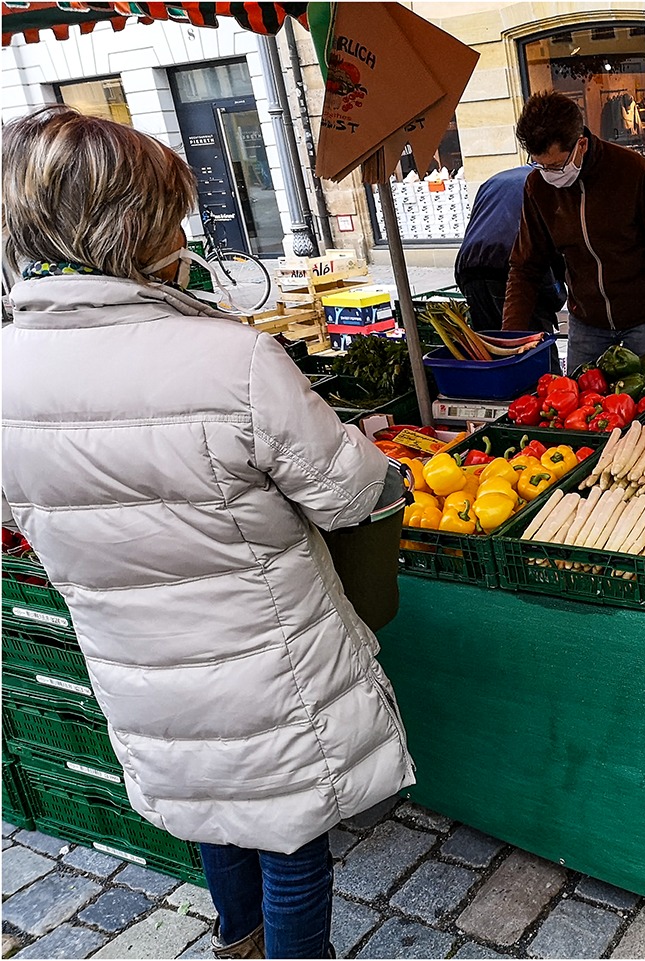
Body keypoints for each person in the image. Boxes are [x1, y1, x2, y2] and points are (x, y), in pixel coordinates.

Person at [0, 107, 414, 960]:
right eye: (172, 215)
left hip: (140, 671)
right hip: (267, 669)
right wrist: (375, 455)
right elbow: (345, 495)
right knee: (292, 840)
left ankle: (239, 946)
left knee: (213, 817)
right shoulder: (229, 358)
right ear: (137, 225)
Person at [502, 91, 645, 375]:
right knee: (576, 410)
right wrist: (510, 339)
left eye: (555, 166)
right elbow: (525, 266)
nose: (548, 174)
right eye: (539, 164)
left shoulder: (632, 171)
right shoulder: (537, 187)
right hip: (586, 325)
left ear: (581, 145)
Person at [454, 165, 566, 372]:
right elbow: (556, 243)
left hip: (470, 267)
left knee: (492, 350)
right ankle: (546, 391)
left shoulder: (495, 179)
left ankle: (501, 396)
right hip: (514, 267)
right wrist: (556, 293)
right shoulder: (546, 183)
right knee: (534, 348)